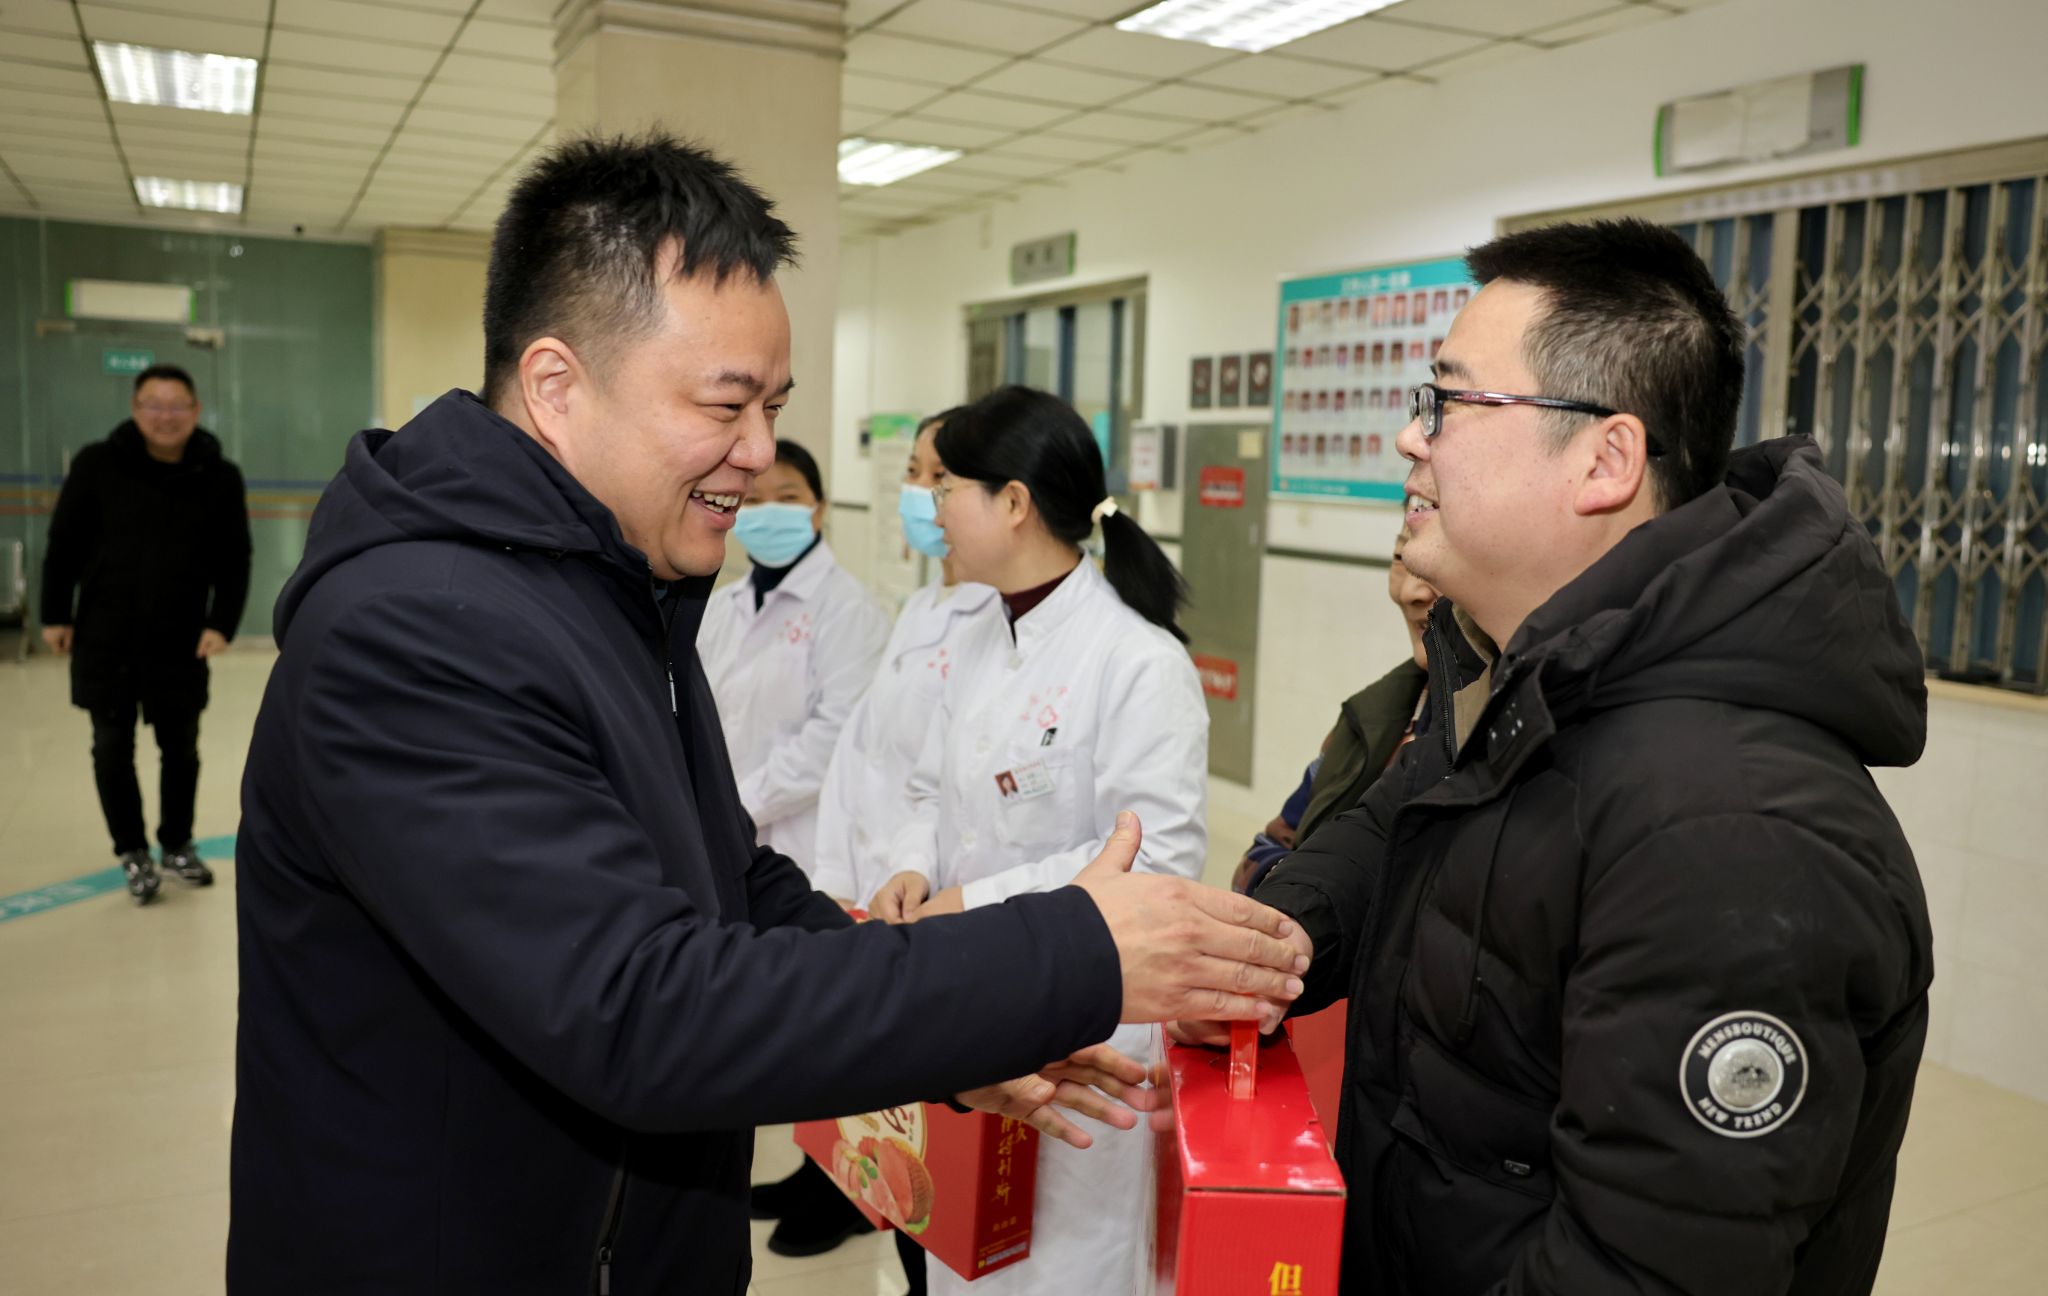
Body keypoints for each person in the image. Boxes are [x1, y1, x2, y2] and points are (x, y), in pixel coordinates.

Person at [229, 133, 1310, 1295]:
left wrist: (964, 1033)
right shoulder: (417, 630)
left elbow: (728, 880)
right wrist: (1072, 951)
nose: (757, 454)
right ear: (556, 387)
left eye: (774, 406)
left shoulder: (615, 590)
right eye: (726, 405)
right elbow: (642, 1011)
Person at [1205, 218, 1933, 1295]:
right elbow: (1398, 824)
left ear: (1604, 460)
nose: (1410, 439)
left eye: (1449, 403)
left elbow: (1645, 1268)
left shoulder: (1730, 834)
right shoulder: (1523, 672)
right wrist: (1263, 948)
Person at [871, 385, 1208, 1296]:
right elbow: (928, 787)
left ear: (1013, 502)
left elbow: (1156, 857)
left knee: (1064, 1261)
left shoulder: (1137, 662)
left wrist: (968, 903)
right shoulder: (980, 633)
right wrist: (912, 866)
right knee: (964, 1247)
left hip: (1086, 1020)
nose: (934, 507)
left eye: (948, 486)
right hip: (973, 994)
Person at [758, 407, 998, 1290]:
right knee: (874, 1108)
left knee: (928, 1147)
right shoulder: (924, 606)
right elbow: (867, 757)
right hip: (871, 882)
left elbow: (943, 789)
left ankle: (852, 1204)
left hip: (928, 901)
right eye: (913, 474)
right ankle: (836, 1186)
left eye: (939, 478)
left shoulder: (995, 621)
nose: (919, 495)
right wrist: (840, 876)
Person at [39, 363, 250, 902]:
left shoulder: (219, 476)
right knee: (111, 747)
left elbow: (235, 558)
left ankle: (176, 843)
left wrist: (222, 623)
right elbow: (63, 545)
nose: (165, 416)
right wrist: (55, 614)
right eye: (153, 405)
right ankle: (132, 850)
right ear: (135, 410)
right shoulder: (97, 464)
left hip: (181, 637)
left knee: (181, 748)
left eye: (177, 405)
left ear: (195, 411)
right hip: (105, 635)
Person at [698, 437, 888, 873]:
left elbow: (835, 733)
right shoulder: (721, 608)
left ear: (819, 509)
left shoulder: (850, 610)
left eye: (787, 499)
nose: (770, 512)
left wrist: (741, 806)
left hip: (808, 847)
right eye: (754, 501)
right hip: (720, 833)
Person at [1231, 525, 1436, 896]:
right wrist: (1284, 883)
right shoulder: (1372, 716)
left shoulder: (1497, 737)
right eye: (1400, 558)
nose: (1410, 591)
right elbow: (1270, 844)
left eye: (1435, 562)